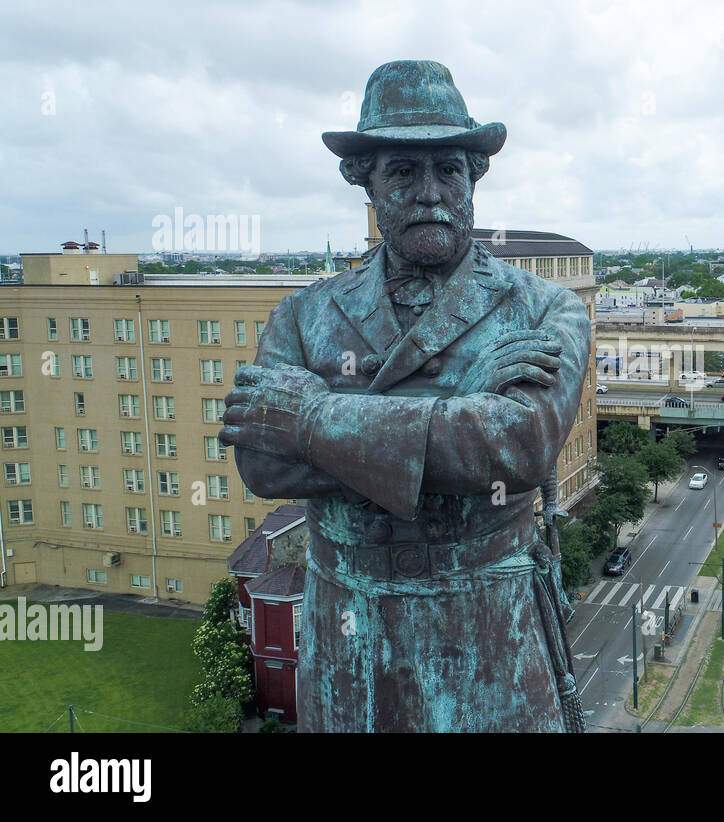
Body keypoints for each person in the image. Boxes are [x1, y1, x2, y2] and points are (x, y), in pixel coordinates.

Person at [220, 61, 591, 733]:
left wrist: (313, 418)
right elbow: (262, 466)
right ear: (365, 182)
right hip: (350, 644)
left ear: (474, 178)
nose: (429, 193)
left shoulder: (544, 310)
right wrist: (460, 413)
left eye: (448, 170)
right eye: (402, 172)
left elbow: (518, 446)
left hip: (489, 634)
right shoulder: (303, 315)